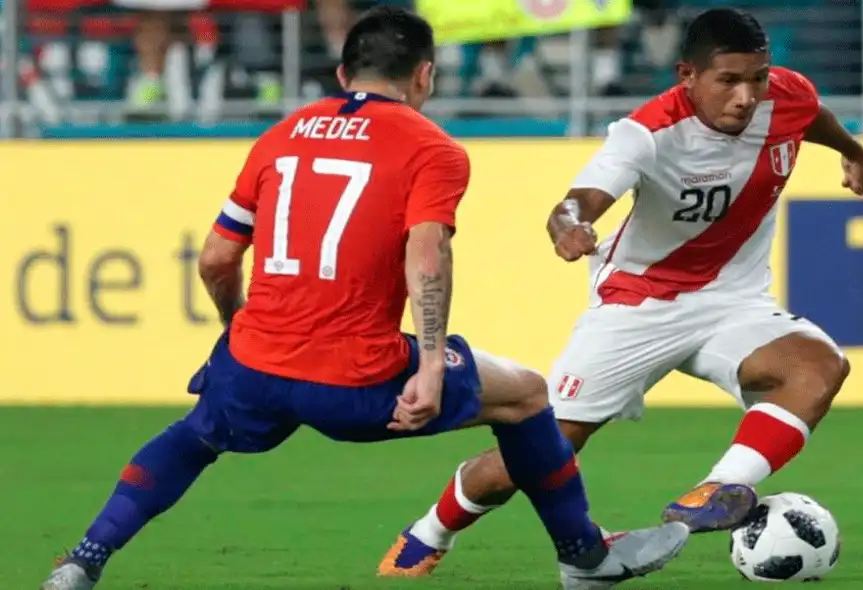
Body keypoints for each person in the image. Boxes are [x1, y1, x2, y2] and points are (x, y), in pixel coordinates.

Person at [39, 7, 690, 590]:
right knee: (524, 394)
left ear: (344, 70)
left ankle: (85, 558)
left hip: (258, 365)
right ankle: (583, 556)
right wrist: (431, 363)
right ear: (425, 76)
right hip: (357, 376)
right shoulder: (432, 149)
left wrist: (232, 333)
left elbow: (215, 259)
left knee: (195, 436)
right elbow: (427, 252)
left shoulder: (283, 135)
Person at [377, 7, 863, 577]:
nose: (746, 96)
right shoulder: (645, 134)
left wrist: (856, 153)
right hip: (638, 306)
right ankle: (428, 532)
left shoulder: (784, 96)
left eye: (757, 78)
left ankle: (720, 489)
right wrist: (569, 224)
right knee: (545, 450)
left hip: (732, 300)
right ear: (686, 75)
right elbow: (579, 200)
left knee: (818, 366)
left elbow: (811, 115)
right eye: (728, 81)